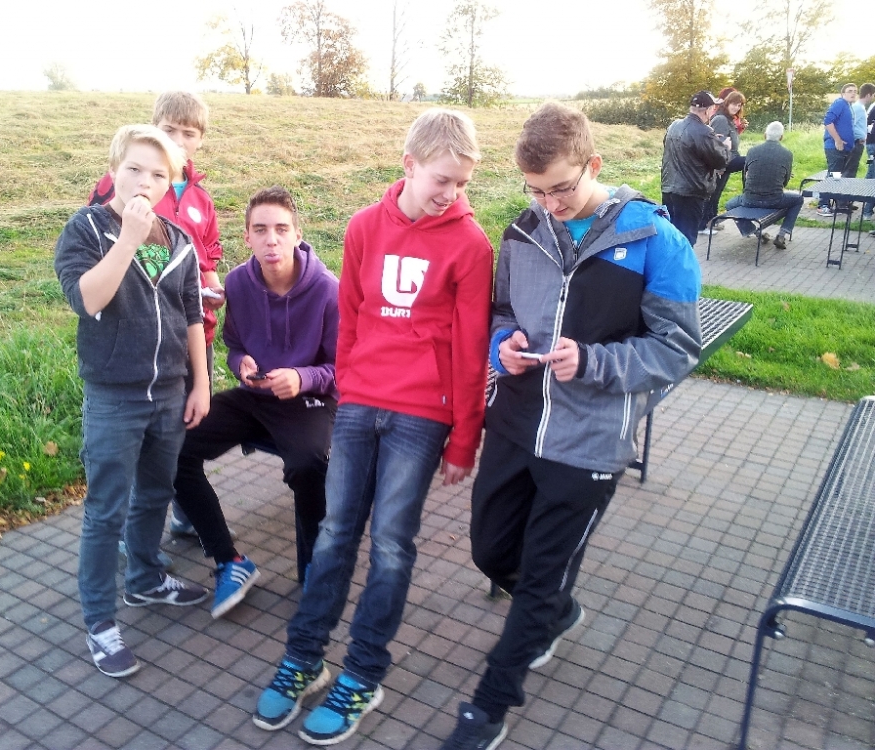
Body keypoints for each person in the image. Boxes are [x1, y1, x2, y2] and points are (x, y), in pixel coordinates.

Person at [439, 102, 702, 750]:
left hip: (590, 441)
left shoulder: (655, 240)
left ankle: (489, 707)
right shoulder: (522, 232)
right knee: (490, 552)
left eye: (561, 188)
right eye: (536, 190)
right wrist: (501, 343)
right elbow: (503, 312)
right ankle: (555, 612)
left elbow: (677, 349)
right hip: (516, 422)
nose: (550, 204)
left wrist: (593, 362)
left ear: (594, 164)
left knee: (540, 575)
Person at [252, 108, 494, 745]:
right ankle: (305, 657)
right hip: (360, 405)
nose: (452, 193)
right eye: (442, 179)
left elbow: (472, 350)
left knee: (390, 543)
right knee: (335, 533)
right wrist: (350, 390)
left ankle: (363, 673)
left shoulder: (472, 245)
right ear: (409, 165)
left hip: (423, 413)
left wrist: (465, 437)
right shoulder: (363, 226)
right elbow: (353, 317)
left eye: (462, 182)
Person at [55, 125, 212, 678]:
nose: (145, 181)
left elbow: (192, 314)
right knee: (106, 511)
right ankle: (100, 622)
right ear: (113, 171)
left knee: (155, 494)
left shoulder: (179, 239)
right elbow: (86, 300)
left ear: (171, 184)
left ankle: (145, 579)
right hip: (114, 397)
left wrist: (201, 383)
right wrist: (127, 239)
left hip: (170, 393)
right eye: (134, 169)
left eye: (158, 174)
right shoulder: (86, 229)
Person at [172, 186, 340, 617]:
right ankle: (229, 561)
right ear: (246, 236)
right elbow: (234, 345)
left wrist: (301, 378)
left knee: (308, 464)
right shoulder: (237, 283)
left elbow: (345, 369)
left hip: (310, 400)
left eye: (281, 229)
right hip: (255, 396)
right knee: (174, 448)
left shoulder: (327, 290)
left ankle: (315, 566)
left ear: (297, 234)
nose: (272, 240)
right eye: (261, 230)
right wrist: (240, 364)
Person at [88, 91, 224, 541]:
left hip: (194, 330)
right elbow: (99, 248)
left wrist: (213, 287)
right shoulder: (129, 184)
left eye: (189, 133)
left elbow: (206, 257)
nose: (180, 141)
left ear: (201, 140)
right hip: (138, 337)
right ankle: (134, 534)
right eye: (169, 130)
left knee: (185, 425)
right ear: (153, 130)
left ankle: (184, 509)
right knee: (141, 438)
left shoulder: (200, 197)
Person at [661, 90, 731, 245]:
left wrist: (712, 141)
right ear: (707, 110)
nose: (714, 111)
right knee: (686, 239)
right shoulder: (704, 132)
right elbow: (720, 161)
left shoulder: (674, 126)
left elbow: (679, 149)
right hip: (690, 193)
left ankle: (669, 261)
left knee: (671, 236)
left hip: (669, 189)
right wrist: (725, 146)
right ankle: (682, 262)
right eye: (714, 108)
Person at [724, 121, 803, 250]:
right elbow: (785, 182)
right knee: (798, 199)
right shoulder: (787, 154)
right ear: (781, 137)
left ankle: (756, 233)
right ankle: (782, 234)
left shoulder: (752, 151)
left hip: (750, 199)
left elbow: (745, 176)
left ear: (764, 135)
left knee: (729, 205)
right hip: (774, 200)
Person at [699, 90, 747, 234]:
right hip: (721, 162)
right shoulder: (720, 119)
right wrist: (718, 166)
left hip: (727, 160)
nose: (736, 107)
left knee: (716, 193)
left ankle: (711, 221)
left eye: (739, 105)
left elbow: (731, 142)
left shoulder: (728, 119)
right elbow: (717, 144)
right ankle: (702, 225)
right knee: (751, 160)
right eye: (734, 104)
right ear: (727, 102)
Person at [817, 83, 858, 217]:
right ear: (843, 93)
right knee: (833, 175)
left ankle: (838, 204)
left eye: (855, 91)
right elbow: (828, 121)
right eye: (850, 91)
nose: (853, 93)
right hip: (834, 147)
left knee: (838, 177)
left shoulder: (848, 106)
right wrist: (838, 140)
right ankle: (822, 205)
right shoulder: (840, 103)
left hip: (845, 148)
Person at [844, 83, 874, 179]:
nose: (873, 98)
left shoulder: (861, 107)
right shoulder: (858, 107)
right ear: (868, 95)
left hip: (859, 143)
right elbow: (850, 125)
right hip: (855, 143)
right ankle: (845, 187)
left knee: (852, 169)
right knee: (850, 171)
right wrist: (858, 138)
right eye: (873, 95)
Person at [863, 84, 875, 224]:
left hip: (871, 143)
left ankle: (867, 210)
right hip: (873, 144)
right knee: (872, 179)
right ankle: (867, 211)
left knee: (871, 176)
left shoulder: (872, 106)